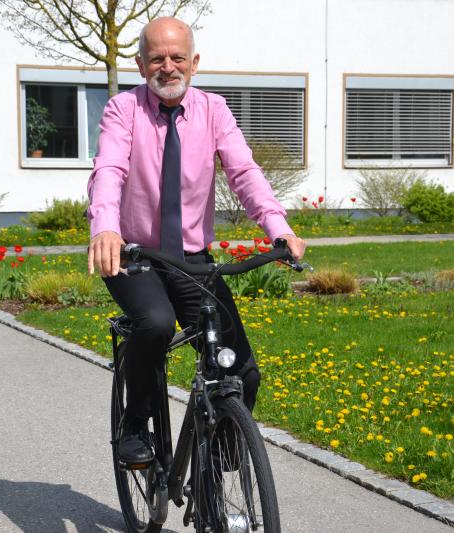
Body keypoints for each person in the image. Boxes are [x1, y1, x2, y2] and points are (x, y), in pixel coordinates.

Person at [87, 16, 306, 464]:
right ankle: (134, 424)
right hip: (135, 254)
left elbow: (244, 173)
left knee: (242, 369)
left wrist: (277, 227)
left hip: (190, 259)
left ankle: (222, 456)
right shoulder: (122, 110)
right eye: (157, 59)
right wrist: (105, 226)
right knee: (155, 323)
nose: (168, 67)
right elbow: (109, 170)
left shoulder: (214, 110)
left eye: (177, 57)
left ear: (194, 62)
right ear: (140, 63)